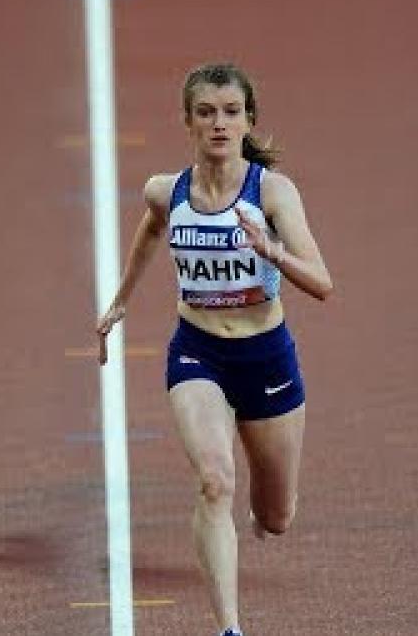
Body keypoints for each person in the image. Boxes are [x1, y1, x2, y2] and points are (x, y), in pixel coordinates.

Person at [96, 63, 333, 636]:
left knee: (276, 518)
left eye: (230, 112)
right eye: (206, 113)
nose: (219, 123)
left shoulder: (272, 192)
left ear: (248, 120)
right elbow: (152, 230)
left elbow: (323, 282)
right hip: (198, 353)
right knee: (215, 479)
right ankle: (229, 628)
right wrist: (121, 300)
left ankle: (260, 515)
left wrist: (271, 251)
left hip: (266, 358)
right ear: (188, 122)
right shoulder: (166, 190)